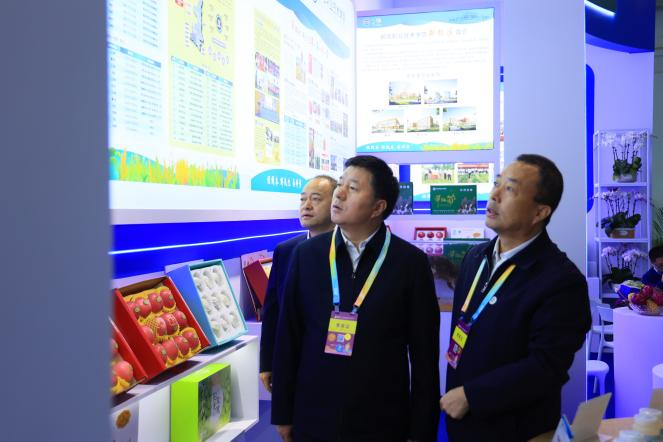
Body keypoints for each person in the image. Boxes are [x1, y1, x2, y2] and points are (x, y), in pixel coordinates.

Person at [272, 155, 440, 442]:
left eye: (352, 187)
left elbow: (425, 355)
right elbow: (289, 336)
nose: (339, 193)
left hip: (382, 420)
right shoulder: (307, 255)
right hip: (313, 416)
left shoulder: (410, 263)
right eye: (341, 184)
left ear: (378, 207)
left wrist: (421, 429)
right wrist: (283, 412)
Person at [441, 154, 591, 441]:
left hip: (516, 429)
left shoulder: (561, 281)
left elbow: (546, 367)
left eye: (509, 189)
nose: (494, 195)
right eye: (496, 184)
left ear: (539, 212)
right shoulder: (476, 257)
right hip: (462, 422)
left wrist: (471, 396)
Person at [259, 175, 337, 394]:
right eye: (303, 199)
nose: (307, 206)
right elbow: (272, 310)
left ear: (336, 203)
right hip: (292, 357)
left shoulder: (349, 250)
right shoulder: (286, 250)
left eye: (316, 199)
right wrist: (266, 362)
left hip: (336, 359)